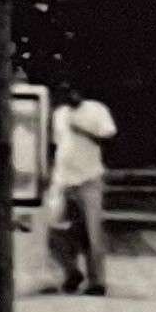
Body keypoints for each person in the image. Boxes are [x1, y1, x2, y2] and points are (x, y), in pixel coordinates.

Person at [47, 92, 120, 295]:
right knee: (54, 230)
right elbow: (57, 145)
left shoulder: (96, 109)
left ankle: (97, 281)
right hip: (63, 178)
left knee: (92, 232)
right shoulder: (59, 114)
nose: (70, 94)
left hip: (89, 177)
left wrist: (83, 131)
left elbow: (108, 138)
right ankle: (71, 271)